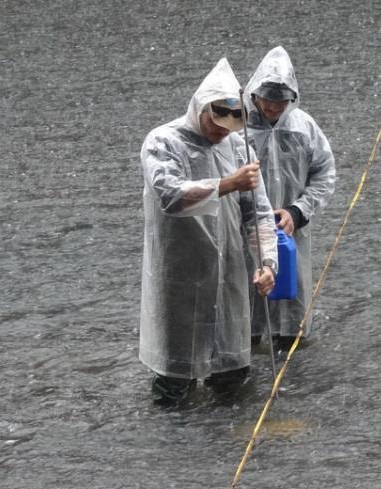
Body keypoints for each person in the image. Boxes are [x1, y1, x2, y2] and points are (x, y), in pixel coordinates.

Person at [139, 57, 278, 405]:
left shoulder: (237, 146)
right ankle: (175, 451)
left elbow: (258, 212)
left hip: (230, 271)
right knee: (175, 380)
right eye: (215, 122)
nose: (220, 131)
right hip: (180, 273)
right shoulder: (163, 142)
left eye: (229, 125)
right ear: (199, 108)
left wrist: (268, 264)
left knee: (232, 376)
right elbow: (170, 195)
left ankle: (223, 444)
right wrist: (227, 183)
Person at [244, 46, 336, 351]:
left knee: (293, 306)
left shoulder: (303, 127)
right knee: (246, 304)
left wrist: (297, 212)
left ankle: (293, 360)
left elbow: (324, 174)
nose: (273, 110)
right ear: (254, 95)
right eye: (268, 103)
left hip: (292, 232)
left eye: (280, 104)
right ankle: (245, 356)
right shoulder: (238, 130)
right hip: (246, 232)